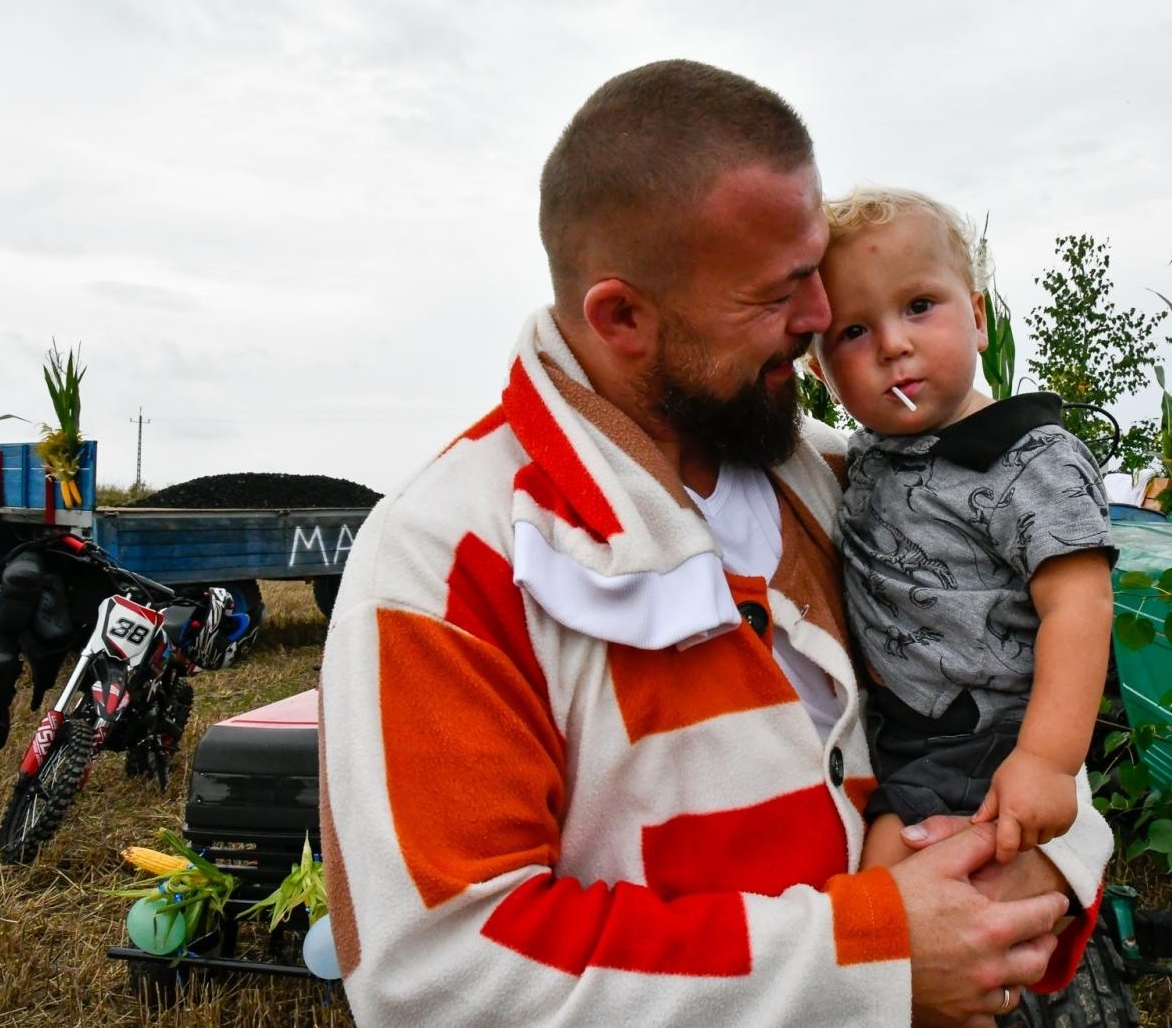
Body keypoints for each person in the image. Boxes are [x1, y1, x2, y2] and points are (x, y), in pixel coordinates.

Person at [318, 61, 1107, 1027]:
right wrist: (871, 960)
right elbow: (437, 977)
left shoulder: (839, 479)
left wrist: (1036, 866)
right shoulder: (448, 560)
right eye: (776, 293)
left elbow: (1006, 704)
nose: (821, 319)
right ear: (623, 317)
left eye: (813, 268)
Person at [809, 187, 1115, 885]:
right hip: (892, 727)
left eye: (919, 306)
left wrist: (1044, 761)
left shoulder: (1031, 458)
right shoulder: (864, 456)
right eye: (852, 333)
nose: (893, 344)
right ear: (817, 370)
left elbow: (1080, 606)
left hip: (980, 737)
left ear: (977, 317)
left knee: (888, 879)